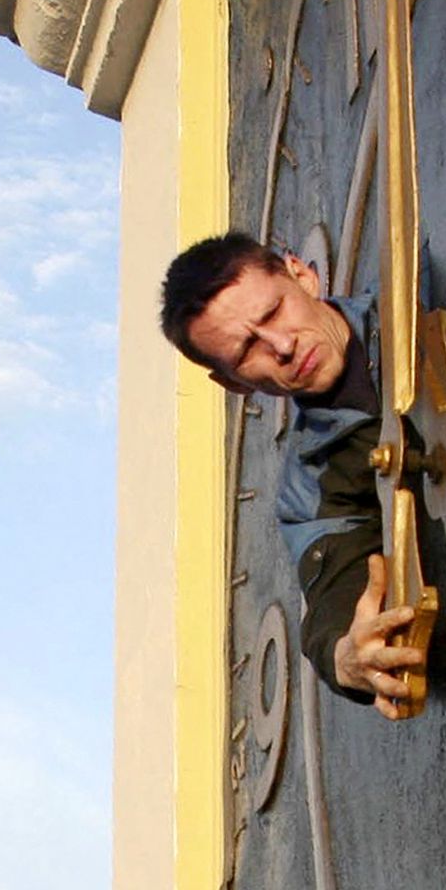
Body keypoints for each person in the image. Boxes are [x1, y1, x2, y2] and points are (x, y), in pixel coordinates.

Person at [159, 231, 425, 720]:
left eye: (274, 312)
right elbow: (335, 609)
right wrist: (347, 657)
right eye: (246, 351)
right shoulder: (309, 496)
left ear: (303, 275)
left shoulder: (425, 291)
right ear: (232, 383)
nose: (281, 346)